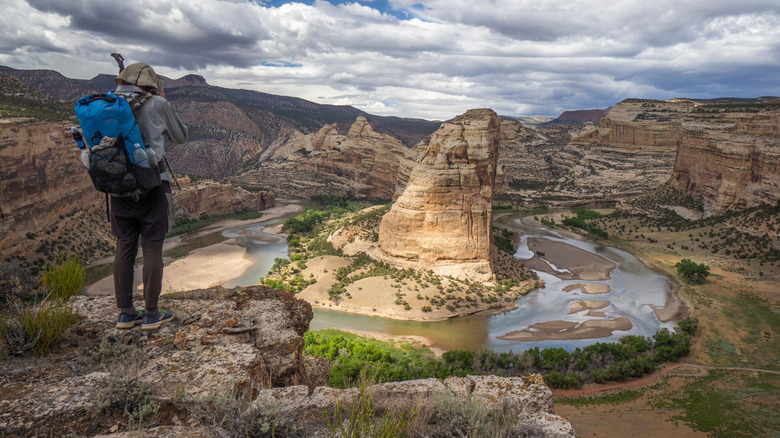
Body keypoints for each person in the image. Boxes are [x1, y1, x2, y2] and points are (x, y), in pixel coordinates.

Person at [111, 62, 188, 330]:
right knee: (152, 247)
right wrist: (163, 103)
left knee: (124, 246)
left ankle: (124, 314)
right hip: (152, 184)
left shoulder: (108, 102)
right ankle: (152, 314)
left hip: (118, 186)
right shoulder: (156, 103)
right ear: (152, 85)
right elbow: (180, 136)